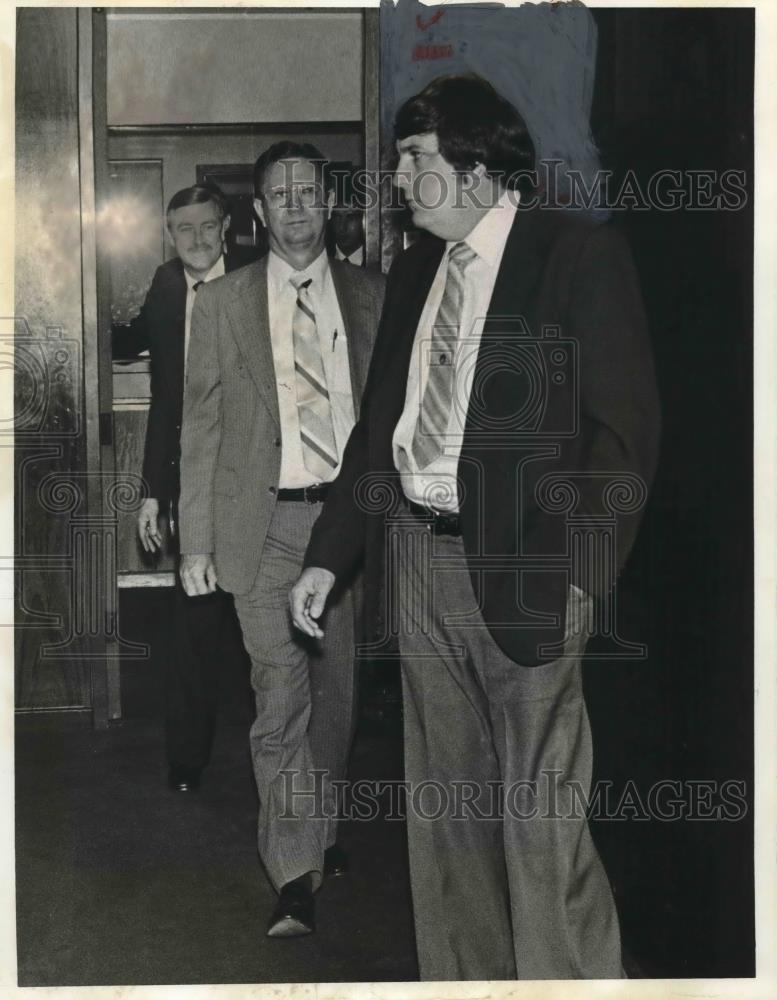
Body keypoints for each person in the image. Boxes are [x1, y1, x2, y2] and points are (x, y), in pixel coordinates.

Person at [291, 75, 660, 979]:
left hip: (529, 566)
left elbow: (625, 431)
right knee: (445, 817)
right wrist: (326, 559)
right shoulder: (418, 268)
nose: (399, 182)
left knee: (540, 822)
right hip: (415, 560)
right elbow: (379, 428)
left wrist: (579, 575)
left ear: (476, 160)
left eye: (413, 160)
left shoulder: (573, 255)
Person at [177, 142, 385, 937]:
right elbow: (201, 428)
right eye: (278, 193)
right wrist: (195, 541)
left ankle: (321, 829)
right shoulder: (225, 304)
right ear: (257, 213)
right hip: (258, 527)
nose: (295, 203)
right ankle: (293, 870)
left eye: (308, 189)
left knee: (336, 701)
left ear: (328, 203)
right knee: (280, 697)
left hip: (348, 526)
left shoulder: (372, 296)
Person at [113, 183, 256, 793]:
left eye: (206, 227)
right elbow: (165, 398)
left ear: (226, 226)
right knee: (193, 619)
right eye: (183, 229)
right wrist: (154, 490)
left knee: (263, 626)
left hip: (258, 478)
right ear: (170, 234)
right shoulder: (169, 284)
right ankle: (188, 760)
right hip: (192, 481)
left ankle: (281, 761)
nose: (196, 240)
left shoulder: (261, 275)